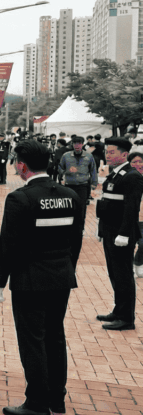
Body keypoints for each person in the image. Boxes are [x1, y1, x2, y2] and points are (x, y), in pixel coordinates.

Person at [0, 139, 84, 415]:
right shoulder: (70, 195)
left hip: (30, 280)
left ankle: (37, 403)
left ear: (21, 165)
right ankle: (57, 398)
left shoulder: (21, 198)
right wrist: (67, 268)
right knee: (55, 337)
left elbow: (9, 245)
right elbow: (76, 240)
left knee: (33, 341)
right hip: (61, 277)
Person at [95, 137, 143, 330]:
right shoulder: (114, 174)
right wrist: (101, 230)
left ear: (124, 154)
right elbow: (106, 204)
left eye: (112, 152)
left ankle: (126, 318)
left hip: (120, 235)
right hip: (110, 232)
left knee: (123, 275)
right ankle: (119, 310)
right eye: (107, 151)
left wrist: (124, 234)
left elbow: (131, 208)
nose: (108, 155)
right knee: (114, 273)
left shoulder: (131, 176)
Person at [58, 135, 97, 218]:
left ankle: (80, 229)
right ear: (72, 144)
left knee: (81, 209)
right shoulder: (66, 156)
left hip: (83, 186)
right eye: (75, 143)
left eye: (79, 143)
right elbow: (60, 168)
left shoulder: (89, 156)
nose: (77, 145)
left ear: (82, 144)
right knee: (69, 208)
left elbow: (93, 170)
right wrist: (67, 171)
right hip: (69, 186)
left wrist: (94, 183)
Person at [128, 151, 143, 278]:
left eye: (140, 161)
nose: (137, 164)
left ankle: (138, 262)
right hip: (132, 218)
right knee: (130, 245)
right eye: (134, 162)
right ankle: (131, 266)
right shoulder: (127, 177)